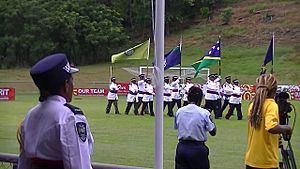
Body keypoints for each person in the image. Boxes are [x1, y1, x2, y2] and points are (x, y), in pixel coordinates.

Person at [17, 53, 94, 169]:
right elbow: (79, 165)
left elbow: (23, 164)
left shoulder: (29, 116)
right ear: (66, 85)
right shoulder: (69, 117)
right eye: (71, 80)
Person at [245, 74, 292, 169]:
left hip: (251, 159)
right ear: (274, 90)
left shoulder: (253, 105)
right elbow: (271, 127)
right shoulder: (271, 105)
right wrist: (287, 128)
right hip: (267, 160)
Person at [174, 86, 216, 169]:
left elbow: (176, 126)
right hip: (197, 148)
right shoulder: (204, 113)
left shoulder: (179, 111)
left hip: (182, 147)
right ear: (200, 99)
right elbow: (213, 131)